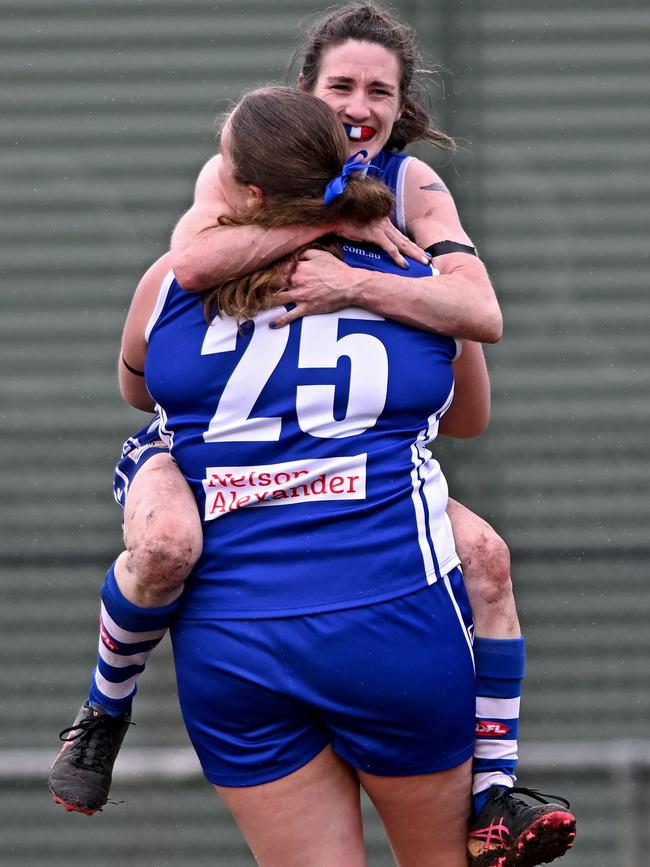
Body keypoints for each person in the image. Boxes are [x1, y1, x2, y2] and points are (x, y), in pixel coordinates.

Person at [49, 5, 576, 865]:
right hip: (386, 612)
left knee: (482, 555)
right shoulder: (260, 206)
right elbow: (194, 267)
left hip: (241, 635)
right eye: (341, 88)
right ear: (304, 97)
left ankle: (496, 790)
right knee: (167, 535)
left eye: (380, 91)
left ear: (401, 111)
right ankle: (104, 708)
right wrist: (351, 238)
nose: (359, 105)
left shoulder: (410, 202)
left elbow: (144, 363)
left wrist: (363, 278)